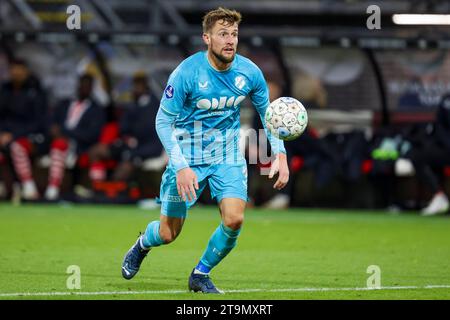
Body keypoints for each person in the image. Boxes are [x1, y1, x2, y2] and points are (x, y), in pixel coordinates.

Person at [121, 7, 289, 293]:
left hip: (227, 157)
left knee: (235, 219)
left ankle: (200, 273)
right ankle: (142, 244)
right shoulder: (187, 73)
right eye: (222, 34)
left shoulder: (250, 72)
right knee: (167, 233)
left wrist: (280, 154)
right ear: (206, 39)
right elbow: (163, 121)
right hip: (187, 159)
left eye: (234, 34)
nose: (230, 40)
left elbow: (268, 115)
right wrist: (182, 167)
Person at [88, 72, 163, 183]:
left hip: (145, 149)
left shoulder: (155, 108)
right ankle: (96, 185)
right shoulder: (132, 106)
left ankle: (114, 192)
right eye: (134, 86)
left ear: (146, 87)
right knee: (97, 151)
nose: (135, 89)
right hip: (127, 145)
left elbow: (152, 139)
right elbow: (123, 127)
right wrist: (127, 138)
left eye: (138, 86)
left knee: (125, 166)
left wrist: (134, 150)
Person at [44, 73, 105, 200]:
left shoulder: (97, 109)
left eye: (87, 86)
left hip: (80, 145)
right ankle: (52, 188)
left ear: (91, 88)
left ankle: (54, 187)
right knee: (59, 144)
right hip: (59, 142)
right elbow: (52, 122)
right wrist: (55, 130)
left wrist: (66, 132)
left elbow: (93, 134)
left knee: (60, 145)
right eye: (81, 85)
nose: (83, 88)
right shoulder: (64, 104)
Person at [0, 58, 48, 200]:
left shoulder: (36, 91)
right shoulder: (5, 90)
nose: (16, 73)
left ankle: (28, 185)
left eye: (19, 69)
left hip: (31, 136)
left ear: (26, 71)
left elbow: (39, 122)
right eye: (13, 69)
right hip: (6, 136)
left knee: (17, 147)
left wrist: (13, 135)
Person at [404, 93, 450, 215]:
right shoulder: (446, 99)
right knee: (417, 156)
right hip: (447, 148)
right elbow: (440, 125)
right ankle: (439, 196)